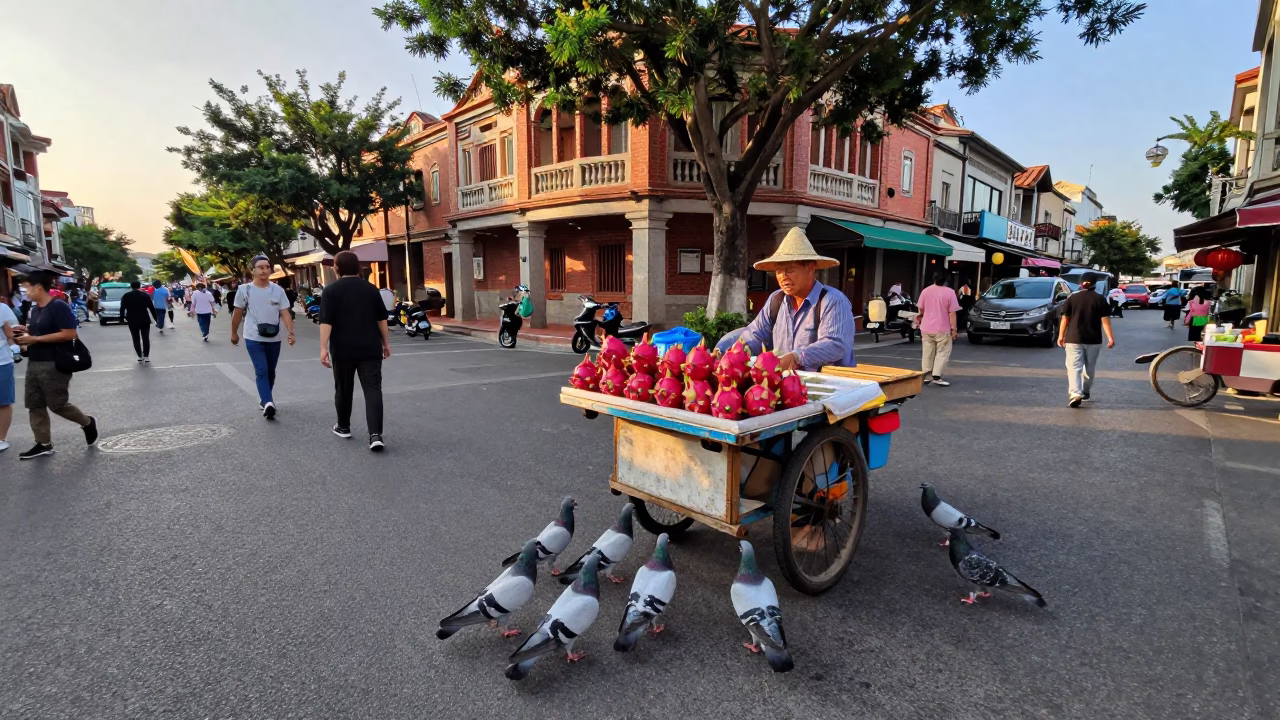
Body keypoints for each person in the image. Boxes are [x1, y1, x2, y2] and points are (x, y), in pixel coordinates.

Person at [737, 227, 856, 371]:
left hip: (829, 386)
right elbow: (754, 335)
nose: (783, 277)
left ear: (811, 268)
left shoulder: (833, 300)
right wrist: (733, 354)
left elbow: (835, 345)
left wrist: (797, 357)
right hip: (787, 385)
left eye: (790, 270)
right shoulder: (776, 300)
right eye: (779, 271)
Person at [11, 270, 98, 459]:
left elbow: (69, 333)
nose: (24, 293)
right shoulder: (34, 309)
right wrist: (25, 331)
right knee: (34, 404)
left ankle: (87, 422)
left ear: (39, 287)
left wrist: (34, 338)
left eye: (27, 288)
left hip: (54, 363)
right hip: (34, 362)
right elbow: (37, 332)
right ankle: (43, 443)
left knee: (58, 405)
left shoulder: (59, 306)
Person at [320, 250, 391, 451]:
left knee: (343, 387)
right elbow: (381, 319)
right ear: (358, 267)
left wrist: (323, 348)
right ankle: (375, 435)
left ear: (337, 268)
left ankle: (343, 426)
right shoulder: (371, 289)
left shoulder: (331, 290)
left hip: (342, 348)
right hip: (370, 347)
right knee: (373, 389)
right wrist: (386, 343)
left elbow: (326, 322)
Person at [231, 255, 295, 419]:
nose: (264, 270)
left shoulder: (278, 290)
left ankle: (265, 400)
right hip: (253, 337)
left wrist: (291, 332)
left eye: (267, 267)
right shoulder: (244, 290)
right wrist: (234, 333)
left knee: (271, 371)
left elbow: (285, 313)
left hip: (274, 338)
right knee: (262, 370)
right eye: (260, 267)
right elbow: (237, 313)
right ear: (252, 270)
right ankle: (268, 402)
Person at [1057, 279, 1115, 408]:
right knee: (1089, 368)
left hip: (1073, 338)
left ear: (1080, 284)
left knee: (1074, 368)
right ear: (1095, 284)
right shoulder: (1099, 299)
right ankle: (1085, 391)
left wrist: (1061, 336)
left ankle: (1075, 393)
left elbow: (1065, 319)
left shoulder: (1072, 298)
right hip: (1094, 340)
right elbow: (1105, 321)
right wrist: (1110, 338)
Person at [916, 271, 961, 387]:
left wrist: (918, 321)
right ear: (946, 280)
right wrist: (954, 330)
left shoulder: (925, 291)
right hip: (942, 328)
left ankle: (926, 375)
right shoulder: (950, 292)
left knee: (927, 351)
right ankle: (937, 376)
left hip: (926, 327)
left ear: (934, 279)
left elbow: (921, 310)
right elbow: (952, 313)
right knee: (943, 352)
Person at [0, 295, 19, 453]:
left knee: (3, 401)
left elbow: (12, 331)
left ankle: (1, 438)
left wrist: (15, 345)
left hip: (2, 361)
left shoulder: (2, 309)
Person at [120, 280, 154, 362]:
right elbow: (151, 307)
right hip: (145, 319)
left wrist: (121, 319)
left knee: (135, 338)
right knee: (146, 338)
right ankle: (146, 356)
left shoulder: (126, 296)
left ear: (131, 286)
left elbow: (122, 308)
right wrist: (156, 318)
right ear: (139, 286)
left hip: (132, 319)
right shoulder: (145, 295)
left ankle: (140, 355)